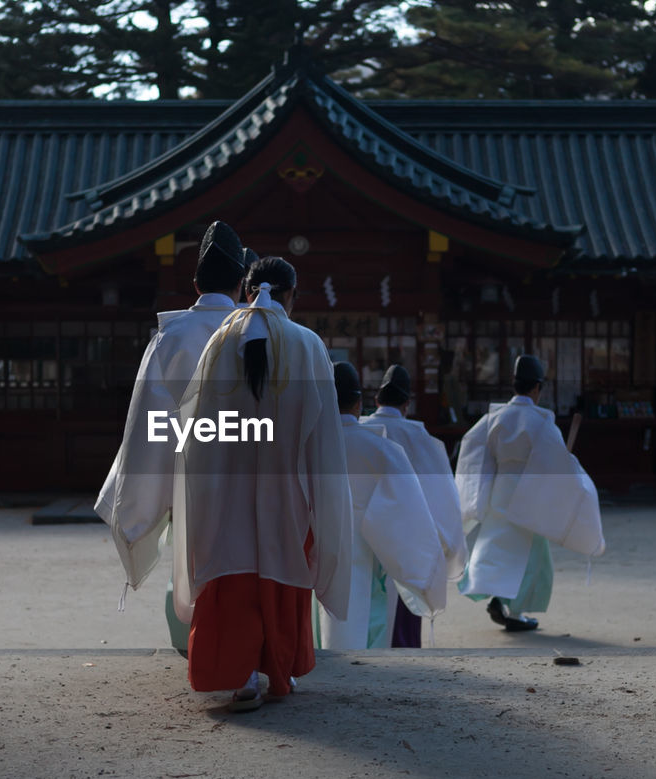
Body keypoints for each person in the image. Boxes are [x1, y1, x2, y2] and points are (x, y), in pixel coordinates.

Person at [173, 256, 352, 710]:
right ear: (291, 294)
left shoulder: (219, 342)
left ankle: (242, 676)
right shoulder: (308, 344)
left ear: (245, 289)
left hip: (227, 490)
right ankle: (277, 671)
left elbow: (199, 429)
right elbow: (324, 437)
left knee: (232, 571)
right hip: (285, 491)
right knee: (279, 569)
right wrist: (320, 496)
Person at [95, 221, 254, 654]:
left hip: (192, 479)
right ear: (243, 283)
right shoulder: (258, 333)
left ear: (196, 282)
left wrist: (146, 500)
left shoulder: (172, 337)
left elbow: (149, 426)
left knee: (190, 569)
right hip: (254, 479)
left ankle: (199, 649)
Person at [455, 355, 605, 632]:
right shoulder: (542, 422)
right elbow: (556, 462)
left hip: (501, 489)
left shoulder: (494, 418)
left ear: (515, 385)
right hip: (530, 493)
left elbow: (474, 452)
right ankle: (514, 611)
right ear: (537, 388)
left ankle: (500, 599)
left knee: (497, 547)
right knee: (531, 557)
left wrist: (477, 495)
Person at [319, 361, 442, 650]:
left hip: (321, 548)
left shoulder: (310, 447)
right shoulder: (382, 448)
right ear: (360, 402)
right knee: (371, 619)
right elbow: (407, 510)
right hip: (371, 548)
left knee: (326, 623)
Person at [361, 364, 467, 647]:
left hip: (360, 538)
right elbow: (444, 499)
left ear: (376, 400)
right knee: (404, 602)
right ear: (407, 404)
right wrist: (449, 547)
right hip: (407, 538)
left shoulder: (359, 431)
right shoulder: (423, 440)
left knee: (363, 604)